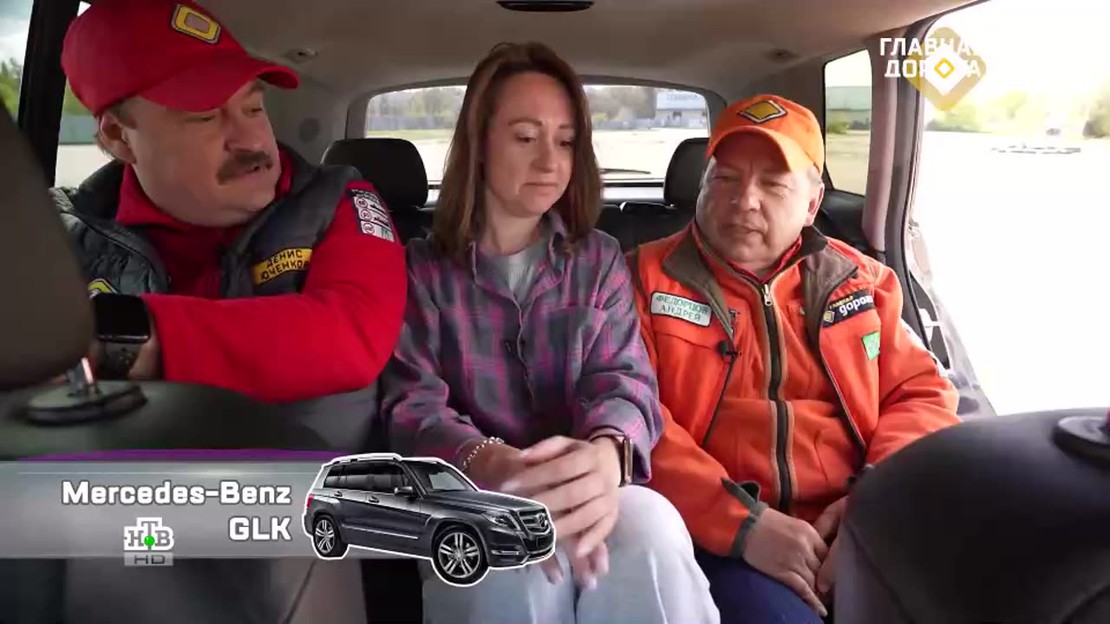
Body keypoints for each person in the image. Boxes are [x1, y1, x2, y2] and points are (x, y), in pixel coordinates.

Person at [379, 42, 719, 624]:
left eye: (565, 142)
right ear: (479, 144)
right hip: (471, 490)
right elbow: (412, 405)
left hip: (589, 481)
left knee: (653, 531)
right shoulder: (420, 270)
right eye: (525, 137)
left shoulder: (599, 259)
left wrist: (607, 455)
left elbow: (623, 379)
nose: (549, 163)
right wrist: (494, 465)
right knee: (504, 562)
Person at [628, 94, 960, 623]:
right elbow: (634, 419)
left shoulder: (864, 283)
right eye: (725, 179)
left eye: (773, 185)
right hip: (717, 534)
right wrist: (741, 524)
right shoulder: (640, 281)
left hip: (856, 518)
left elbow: (922, 393)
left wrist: (874, 500)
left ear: (811, 203)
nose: (745, 201)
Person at [53, 0, 406, 448]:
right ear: (119, 137)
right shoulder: (60, 237)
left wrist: (123, 339)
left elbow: (352, 334)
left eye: (254, 108)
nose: (252, 140)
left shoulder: (338, 199)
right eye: (205, 115)